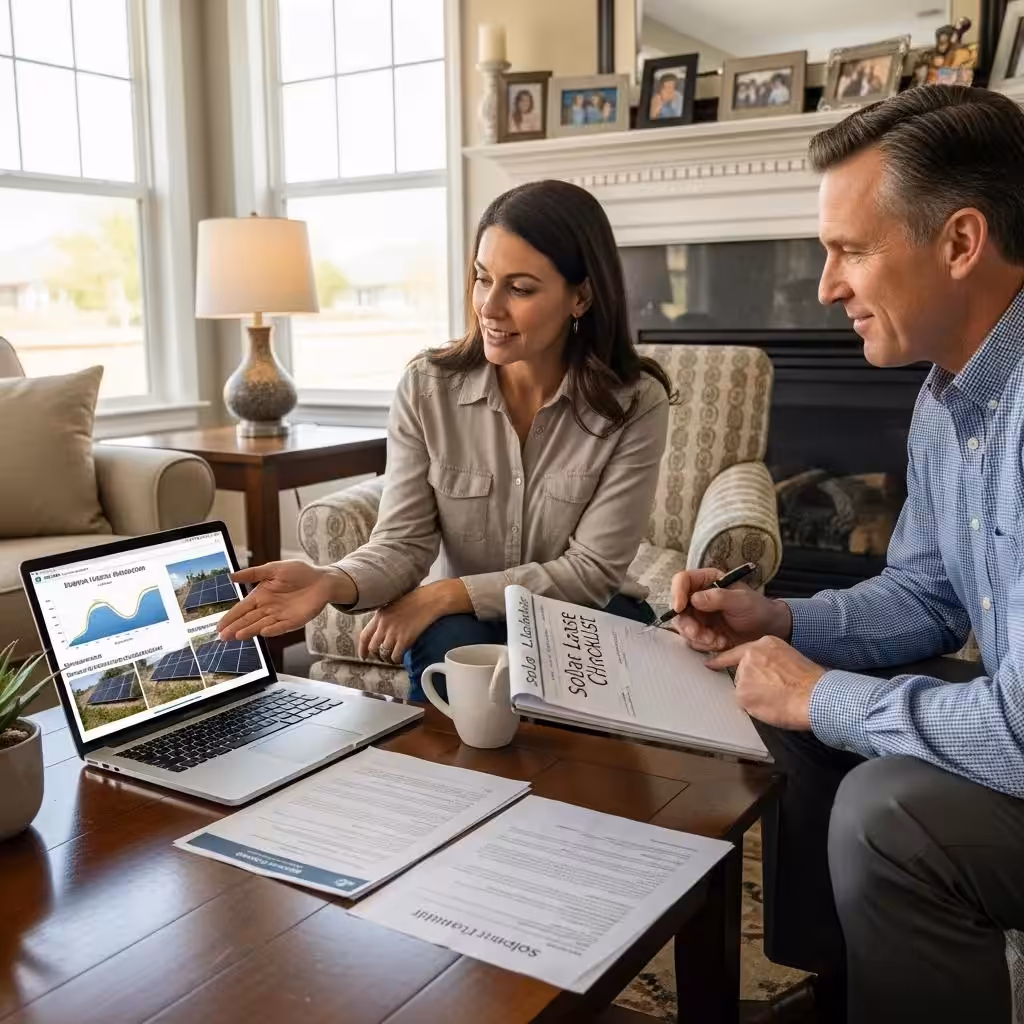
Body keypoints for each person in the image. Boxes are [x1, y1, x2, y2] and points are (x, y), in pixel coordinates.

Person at [668, 85, 1024, 1024]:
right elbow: (928, 592)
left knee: (888, 812)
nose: (826, 287)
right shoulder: (950, 395)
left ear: (960, 242)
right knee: (789, 708)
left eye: (850, 251)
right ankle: (849, 989)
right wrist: (781, 622)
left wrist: (819, 691)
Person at [218, 180, 672, 701]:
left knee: (589, 666)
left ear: (582, 296)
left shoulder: (636, 402)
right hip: (464, 621)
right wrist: (328, 580)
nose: (489, 307)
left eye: (520, 288)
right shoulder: (427, 386)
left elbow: (591, 573)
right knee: (448, 650)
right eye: (482, 278)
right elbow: (403, 542)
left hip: (583, 610)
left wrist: (442, 594)